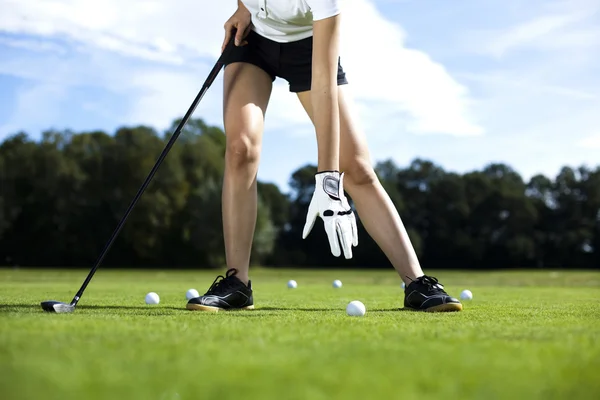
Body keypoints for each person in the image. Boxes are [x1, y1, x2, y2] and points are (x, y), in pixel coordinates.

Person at [186, 0, 463, 313]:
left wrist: (328, 179)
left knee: (356, 168)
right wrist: (243, 8)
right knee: (240, 149)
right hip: (253, 43)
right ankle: (237, 284)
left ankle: (417, 284)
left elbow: (323, 87)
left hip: (309, 47)